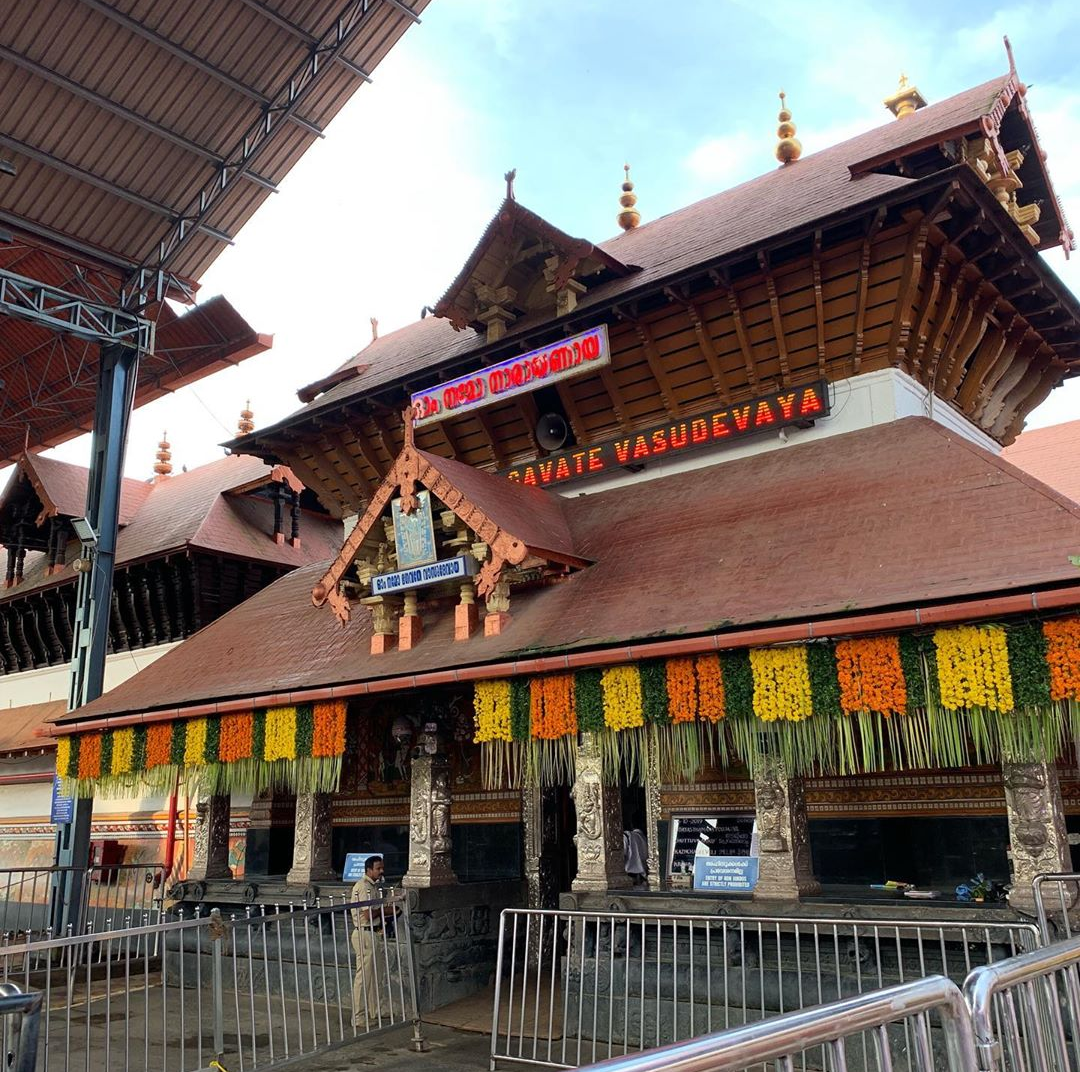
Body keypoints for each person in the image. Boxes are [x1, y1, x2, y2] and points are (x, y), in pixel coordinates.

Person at [349, 855, 401, 1028]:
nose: (381, 871)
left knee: (376, 974)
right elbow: (368, 914)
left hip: (374, 932)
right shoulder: (363, 887)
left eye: (382, 868)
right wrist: (386, 909)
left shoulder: (373, 887)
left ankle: (374, 1010)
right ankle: (359, 1015)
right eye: (378, 868)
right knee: (364, 976)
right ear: (369, 869)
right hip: (364, 933)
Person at [623, 818, 649, 886]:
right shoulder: (646, 839)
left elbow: (621, 854)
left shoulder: (626, 836)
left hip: (628, 878)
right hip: (642, 878)